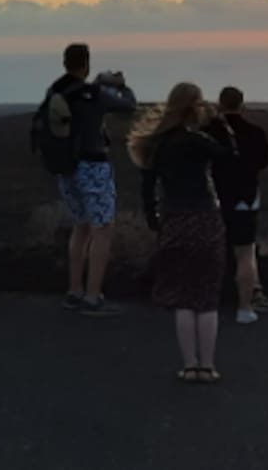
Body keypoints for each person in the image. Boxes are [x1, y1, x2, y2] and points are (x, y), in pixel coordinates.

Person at [129, 83, 234, 384]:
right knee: (207, 296)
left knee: (184, 297)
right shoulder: (197, 141)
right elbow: (229, 155)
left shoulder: (156, 146)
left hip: (174, 220)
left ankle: (189, 366)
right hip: (205, 219)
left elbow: (147, 189)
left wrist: (154, 220)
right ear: (195, 106)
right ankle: (208, 366)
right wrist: (219, 122)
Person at [45, 43, 138, 316]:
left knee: (81, 226)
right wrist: (120, 84)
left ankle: (74, 290)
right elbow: (129, 104)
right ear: (86, 63)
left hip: (66, 167)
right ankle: (93, 295)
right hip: (94, 165)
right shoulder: (94, 94)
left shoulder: (56, 91)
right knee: (102, 229)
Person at [204, 87, 268, 324]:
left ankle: (207, 302)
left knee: (211, 248)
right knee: (245, 252)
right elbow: (263, 162)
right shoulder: (255, 132)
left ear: (219, 104)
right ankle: (246, 307)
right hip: (246, 197)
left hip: (214, 197)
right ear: (242, 105)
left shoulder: (207, 131)